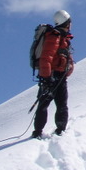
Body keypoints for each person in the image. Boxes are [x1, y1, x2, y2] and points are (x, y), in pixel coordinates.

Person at [32, 9, 75, 139]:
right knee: (55, 105)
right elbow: (46, 58)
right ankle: (41, 132)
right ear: (67, 23)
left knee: (51, 104)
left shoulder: (62, 37)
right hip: (53, 76)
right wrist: (47, 77)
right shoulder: (55, 37)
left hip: (57, 76)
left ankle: (56, 131)